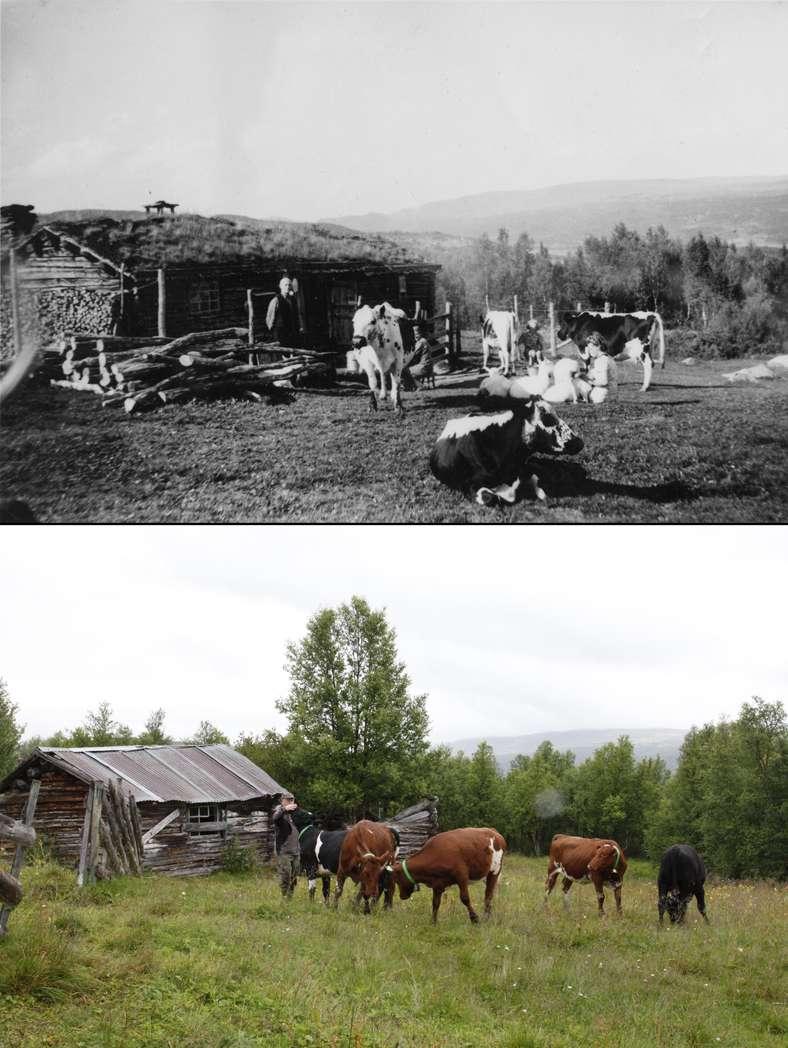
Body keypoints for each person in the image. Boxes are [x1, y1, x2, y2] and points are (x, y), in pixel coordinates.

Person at [272, 791, 305, 898]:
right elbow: (275, 818)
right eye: (288, 800)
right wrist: (284, 809)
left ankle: (290, 895)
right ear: (282, 801)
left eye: (292, 799)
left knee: (295, 875)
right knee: (286, 874)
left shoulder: (296, 814)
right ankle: (285, 896)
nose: (291, 801)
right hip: (284, 850)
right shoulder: (280, 812)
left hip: (296, 850)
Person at [266, 276, 303, 346]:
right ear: (281, 286)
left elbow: (296, 315)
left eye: (289, 285)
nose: (287, 287)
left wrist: (299, 326)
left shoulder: (293, 300)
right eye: (285, 285)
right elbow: (269, 317)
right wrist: (273, 330)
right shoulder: (276, 300)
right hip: (281, 332)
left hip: (292, 331)